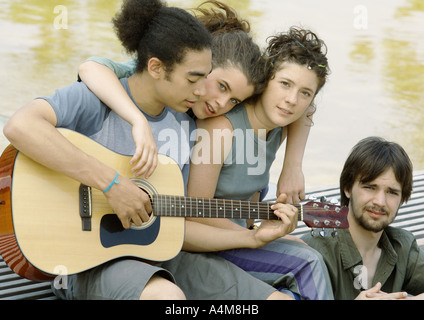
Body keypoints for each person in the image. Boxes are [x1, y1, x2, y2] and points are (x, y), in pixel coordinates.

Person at [4, 0, 297, 301]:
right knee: (167, 298)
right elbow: (21, 126)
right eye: (194, 79)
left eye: (206, 79)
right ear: (156, 67)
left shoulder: (188, 124)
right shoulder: (98, 100)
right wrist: (112, 183)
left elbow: (180, 223)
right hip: (89, 262)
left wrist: (251, 236)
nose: (201, 92)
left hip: (161, 254)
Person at [78, 1, 309, 205]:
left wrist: (292, 166)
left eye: (234, 100)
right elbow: (91, 67)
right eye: (221, 86)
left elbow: (302, 107)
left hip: (224, 190)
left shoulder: (239, 89)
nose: (221, 103)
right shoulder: (168, 75)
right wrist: (138, 121)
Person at [180, 27, 334, 300]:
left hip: (241, 237)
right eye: (285, 84)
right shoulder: (221, 129)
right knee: (308, 263)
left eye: (305, 93)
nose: (291, 101)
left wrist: (293, 166)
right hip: (202, 246)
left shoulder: (276, 126)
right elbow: (194, 213)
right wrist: (259, 238)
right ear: (265, 80)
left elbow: (306, 111)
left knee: (320, 255)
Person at [302, 136, 424, 300]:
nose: (380, 202)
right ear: (347, 188)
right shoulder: (314, 252)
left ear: (402, 198)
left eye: (392, 192)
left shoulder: (403, 246)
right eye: (370, 187)